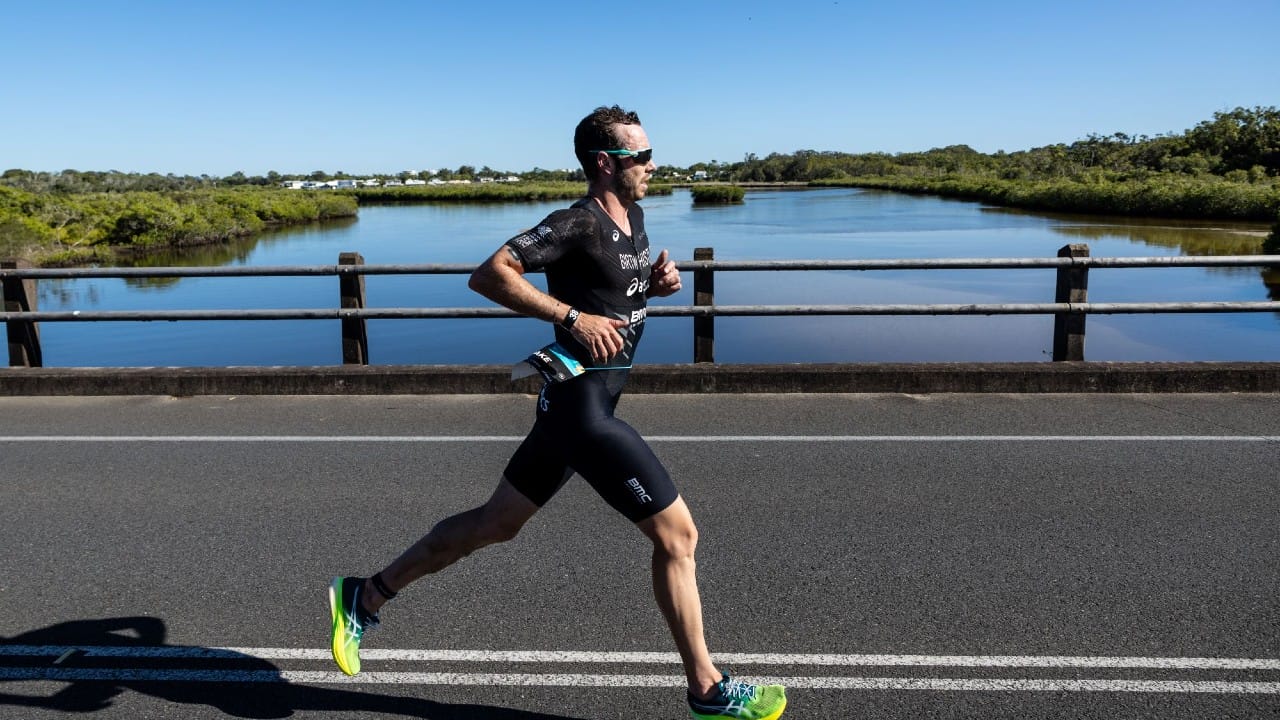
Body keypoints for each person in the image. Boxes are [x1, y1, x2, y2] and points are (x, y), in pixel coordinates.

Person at [328, 105, 787, 720]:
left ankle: (364, 595)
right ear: (605, 163)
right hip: (582, 411)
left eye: (651, 153)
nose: (653, 164)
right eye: (640, 157)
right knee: (679, 537)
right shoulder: (577, 224)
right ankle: (706, 688)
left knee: (497, 522)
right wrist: (569, 318)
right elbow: (490, 275)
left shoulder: (636, 218)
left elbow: (611, 291)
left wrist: (656, 284)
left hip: (580, 401)